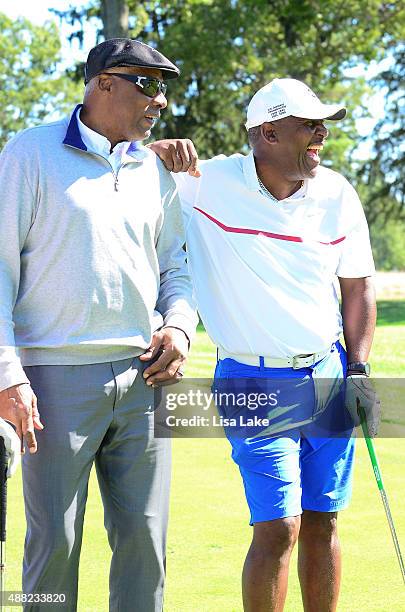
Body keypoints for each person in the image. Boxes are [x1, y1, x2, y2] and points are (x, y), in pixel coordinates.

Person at [150, 78, 379, 611]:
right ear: (268, 132)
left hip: (329, 372)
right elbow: (127, 168)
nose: (322, 134)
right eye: (310, 125)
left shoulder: (337, 194)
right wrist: (154, 151)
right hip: (250, 381)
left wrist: (361, 370)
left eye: (324, 124)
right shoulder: (206, 183)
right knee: (279, 525)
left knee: (324, 519)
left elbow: (358, 287)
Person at [0, 38, 197, 612]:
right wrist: (8, 374)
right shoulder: (28, 155)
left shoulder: (153, 169)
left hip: (143, 381)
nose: (159, 101)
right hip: (51, 382)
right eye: (148, 84)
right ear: (104, 83)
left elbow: (176, 270)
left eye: (164, 88)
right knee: (54, 547)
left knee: (145, 546)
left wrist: (180, 328)